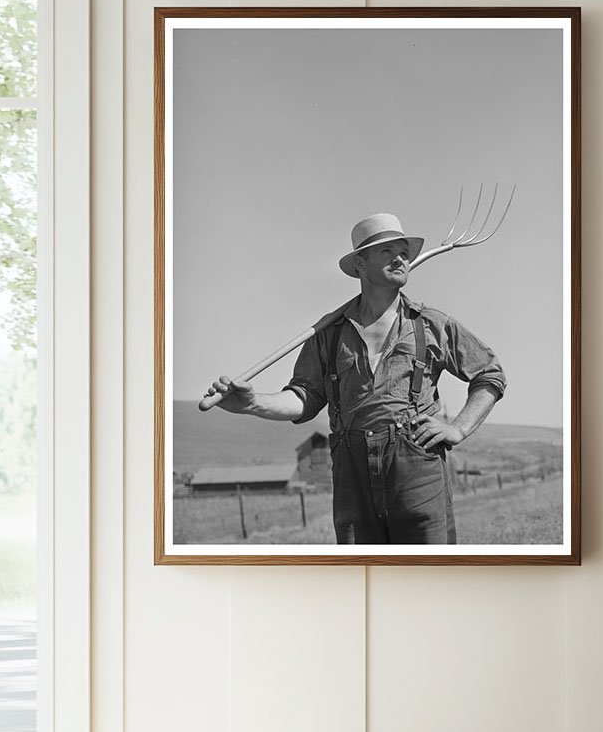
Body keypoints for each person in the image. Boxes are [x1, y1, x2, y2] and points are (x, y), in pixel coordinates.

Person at [204, 213, 506, 544]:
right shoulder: (328, 333)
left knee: (428, 577)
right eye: (386, 251)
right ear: (360, 265)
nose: (400, 257)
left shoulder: (431, 325)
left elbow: (489, 374)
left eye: (403, 250)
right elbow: (304, 397)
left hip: (416, 465)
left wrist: (459, 427)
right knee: (362, 575)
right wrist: (253, 403)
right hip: (351, 469)